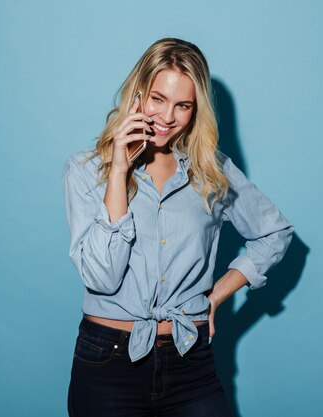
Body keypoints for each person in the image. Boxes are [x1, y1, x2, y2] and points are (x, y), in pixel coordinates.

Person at [62, 38, 294, 416]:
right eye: (157, 99)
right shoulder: (86, 170)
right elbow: (102, 278)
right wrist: (119, 171)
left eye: (182, 105)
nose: (167, 117)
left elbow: (274, 233)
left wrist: (216, 295)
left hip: (191, 362)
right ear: (137, 95)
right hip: (108, 364)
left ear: (195, 108)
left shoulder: (210, 170)